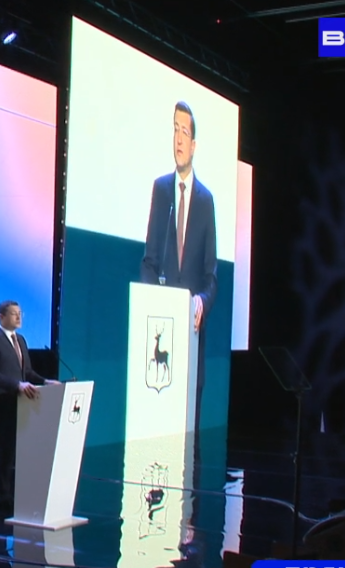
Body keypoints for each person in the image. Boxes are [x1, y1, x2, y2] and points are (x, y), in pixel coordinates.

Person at [139, 101, 217, 430]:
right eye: (175, 130)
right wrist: (150, 301)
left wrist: (201, 301)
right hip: (162, 325)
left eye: (185, 131)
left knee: (188, 432)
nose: (179, 138)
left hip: (190, 336)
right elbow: (149, 261)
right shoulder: (161, 190)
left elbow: (211, 276)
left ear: (194, 144)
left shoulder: (205, 200)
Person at [0, 300, 58, 519]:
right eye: (14, 314)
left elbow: (26, 372)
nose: (19, 317)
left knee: (6, 454)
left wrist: (45, 381)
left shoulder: (20, 340)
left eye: (20, 313)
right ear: (1, 317)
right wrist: (17, 385)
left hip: (14, 406)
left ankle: (2, 498)